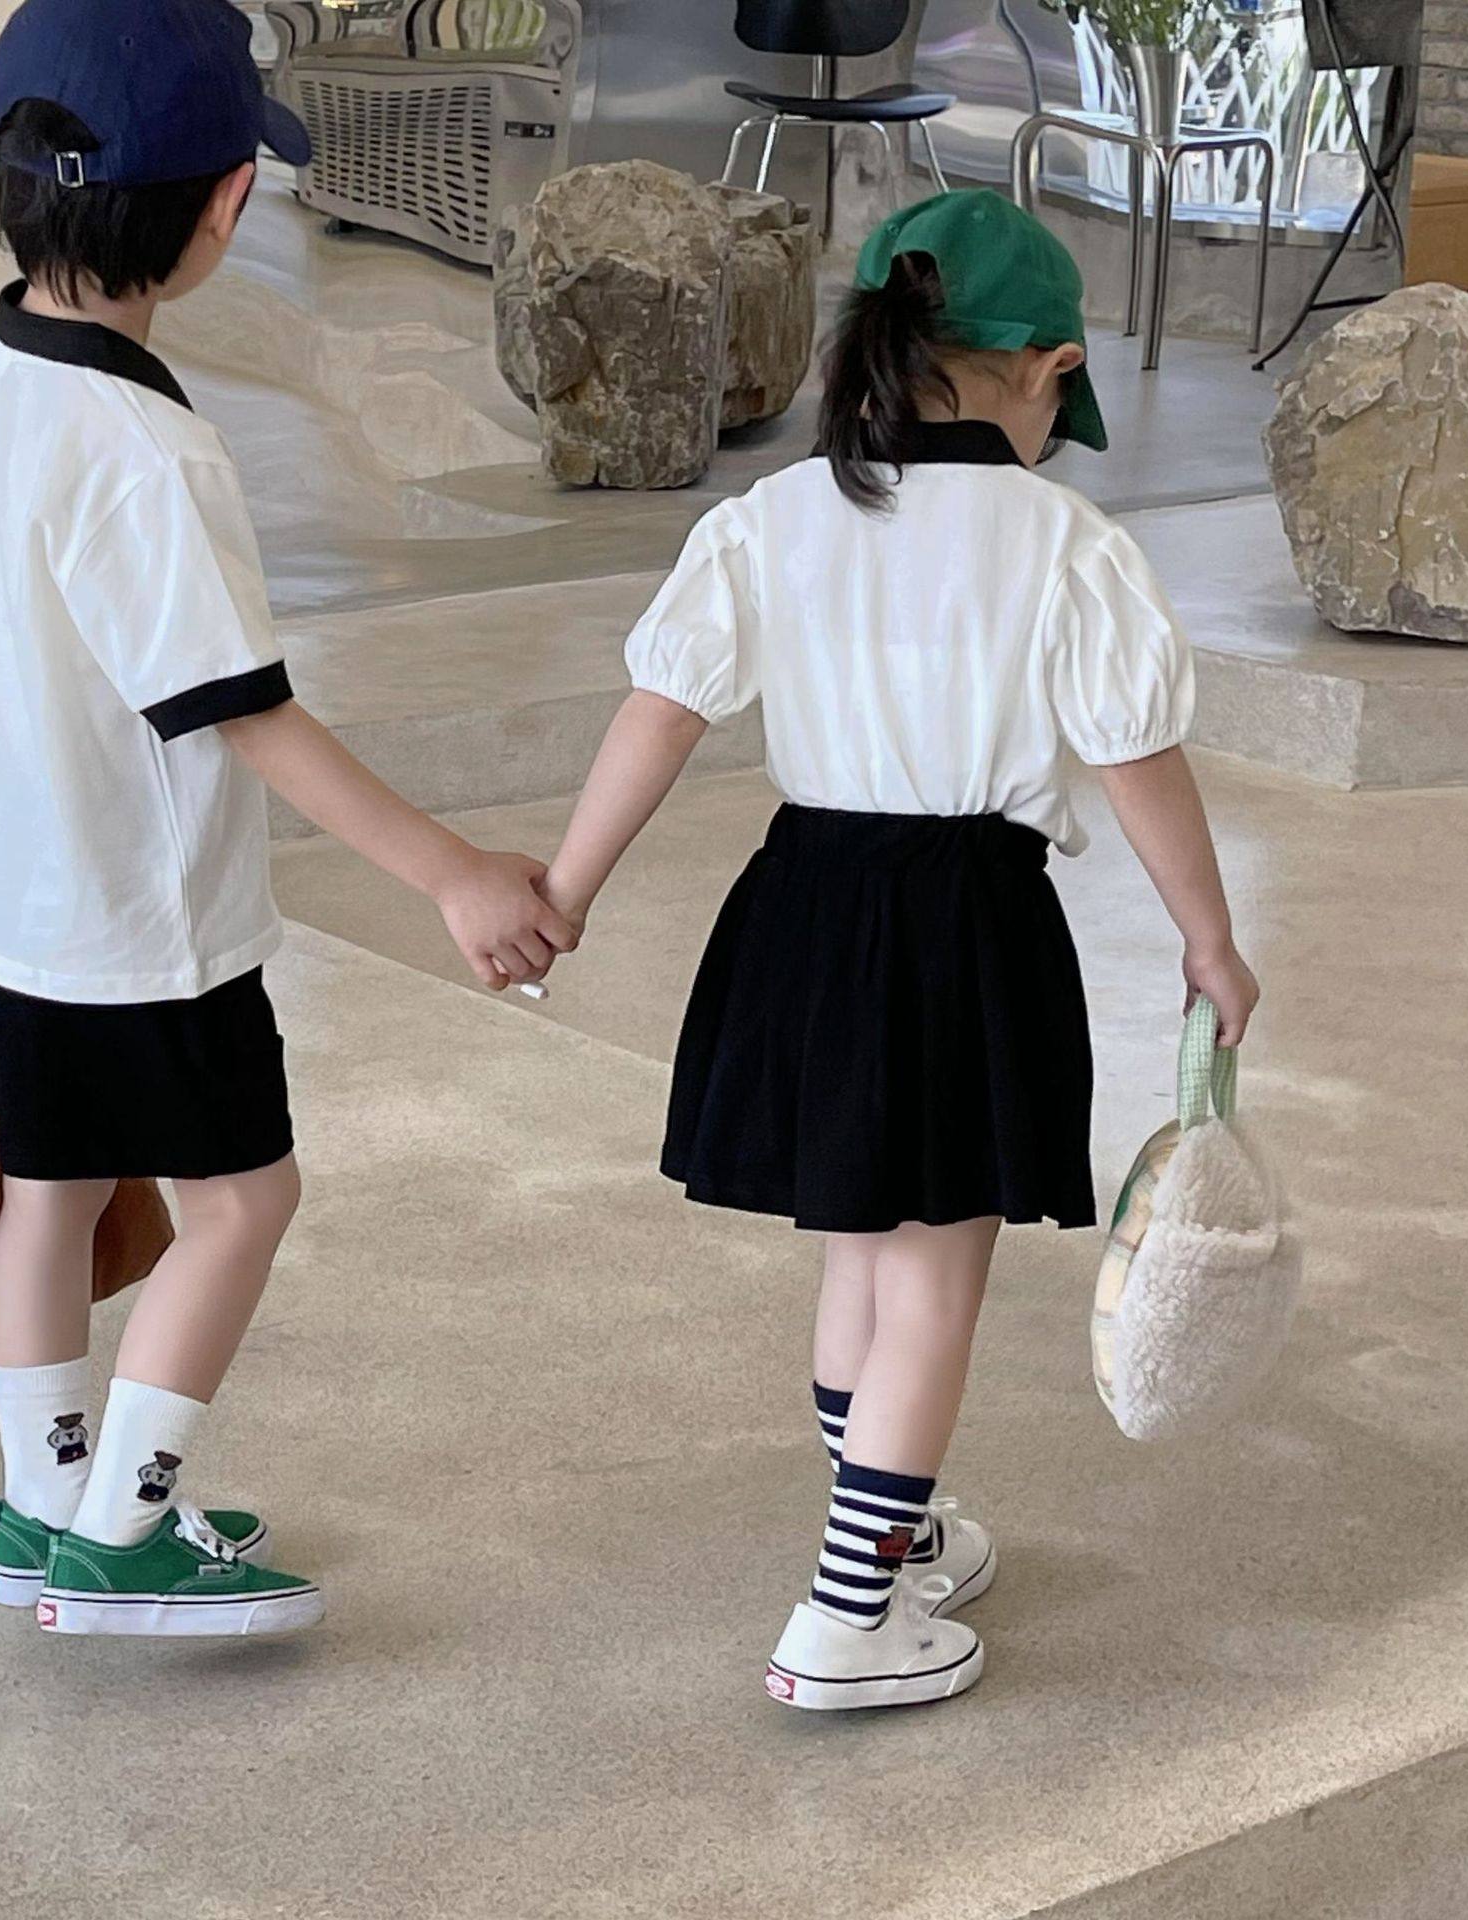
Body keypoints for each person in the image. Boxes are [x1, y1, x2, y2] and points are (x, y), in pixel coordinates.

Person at [539, 191, 1258, 1709]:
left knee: (865, 1257)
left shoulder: (773, 518)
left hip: (802, 911)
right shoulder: (1061, 542)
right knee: (934, 1284)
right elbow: (1136, 760)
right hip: (960, 926)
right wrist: (1209, 938)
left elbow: (662, 712)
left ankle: (902, 1527)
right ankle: (849, 1617)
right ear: (1050, 369)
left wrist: (567, 889)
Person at [0, 0, 576, 1638]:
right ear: (222, 207)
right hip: (135, 929)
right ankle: (124, 1540)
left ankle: (45, 1512)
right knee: (241, 1205)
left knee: (50, 1197)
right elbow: (241, 711)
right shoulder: (144, 448)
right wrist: (452, 873)